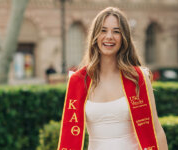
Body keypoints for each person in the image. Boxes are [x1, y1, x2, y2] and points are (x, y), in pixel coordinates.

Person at [58, 7, 168, 150]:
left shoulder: (138, 78)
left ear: (124, 38)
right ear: (95, 36)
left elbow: (157, 131)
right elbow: (69, 136)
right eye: (103, 30)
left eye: (116, 31)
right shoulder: (78, 81)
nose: (109, 36)